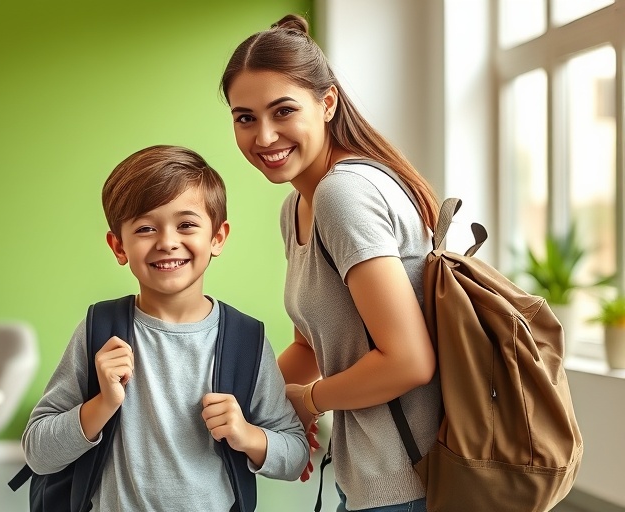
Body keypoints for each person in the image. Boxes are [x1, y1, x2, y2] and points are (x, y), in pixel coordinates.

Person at [219, 14, 442, 512]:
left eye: (283, 111)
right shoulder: (299, 206)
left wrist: (310, 400)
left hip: (409, 482)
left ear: (327, 103)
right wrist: (250, 406)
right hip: (371, 473)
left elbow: (409, 360)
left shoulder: (345, 195)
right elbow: (311, 343)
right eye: (245, 117)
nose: (265, 136)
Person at [22, 144, 308, 511]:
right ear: (118, 246)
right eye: (145, 228)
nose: (167, 242)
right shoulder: (100, 332)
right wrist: (103, 404)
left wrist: (248, 435)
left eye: (186, 224)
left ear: (217, 237)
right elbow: (38, 453)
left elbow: (296, 454)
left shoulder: (245, 340)